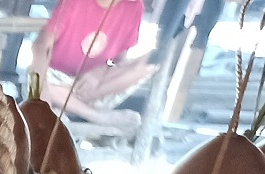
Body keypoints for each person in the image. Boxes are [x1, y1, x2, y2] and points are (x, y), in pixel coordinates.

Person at [28, 0, 167, 130]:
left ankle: (67, 107)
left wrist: (99, 71)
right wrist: (40, 91)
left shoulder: (134, 6)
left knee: (148, 64)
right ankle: (94, 115)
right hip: (56, 79)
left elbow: (119, 61)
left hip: (90, 88)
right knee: (35, 74)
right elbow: (40, 47)